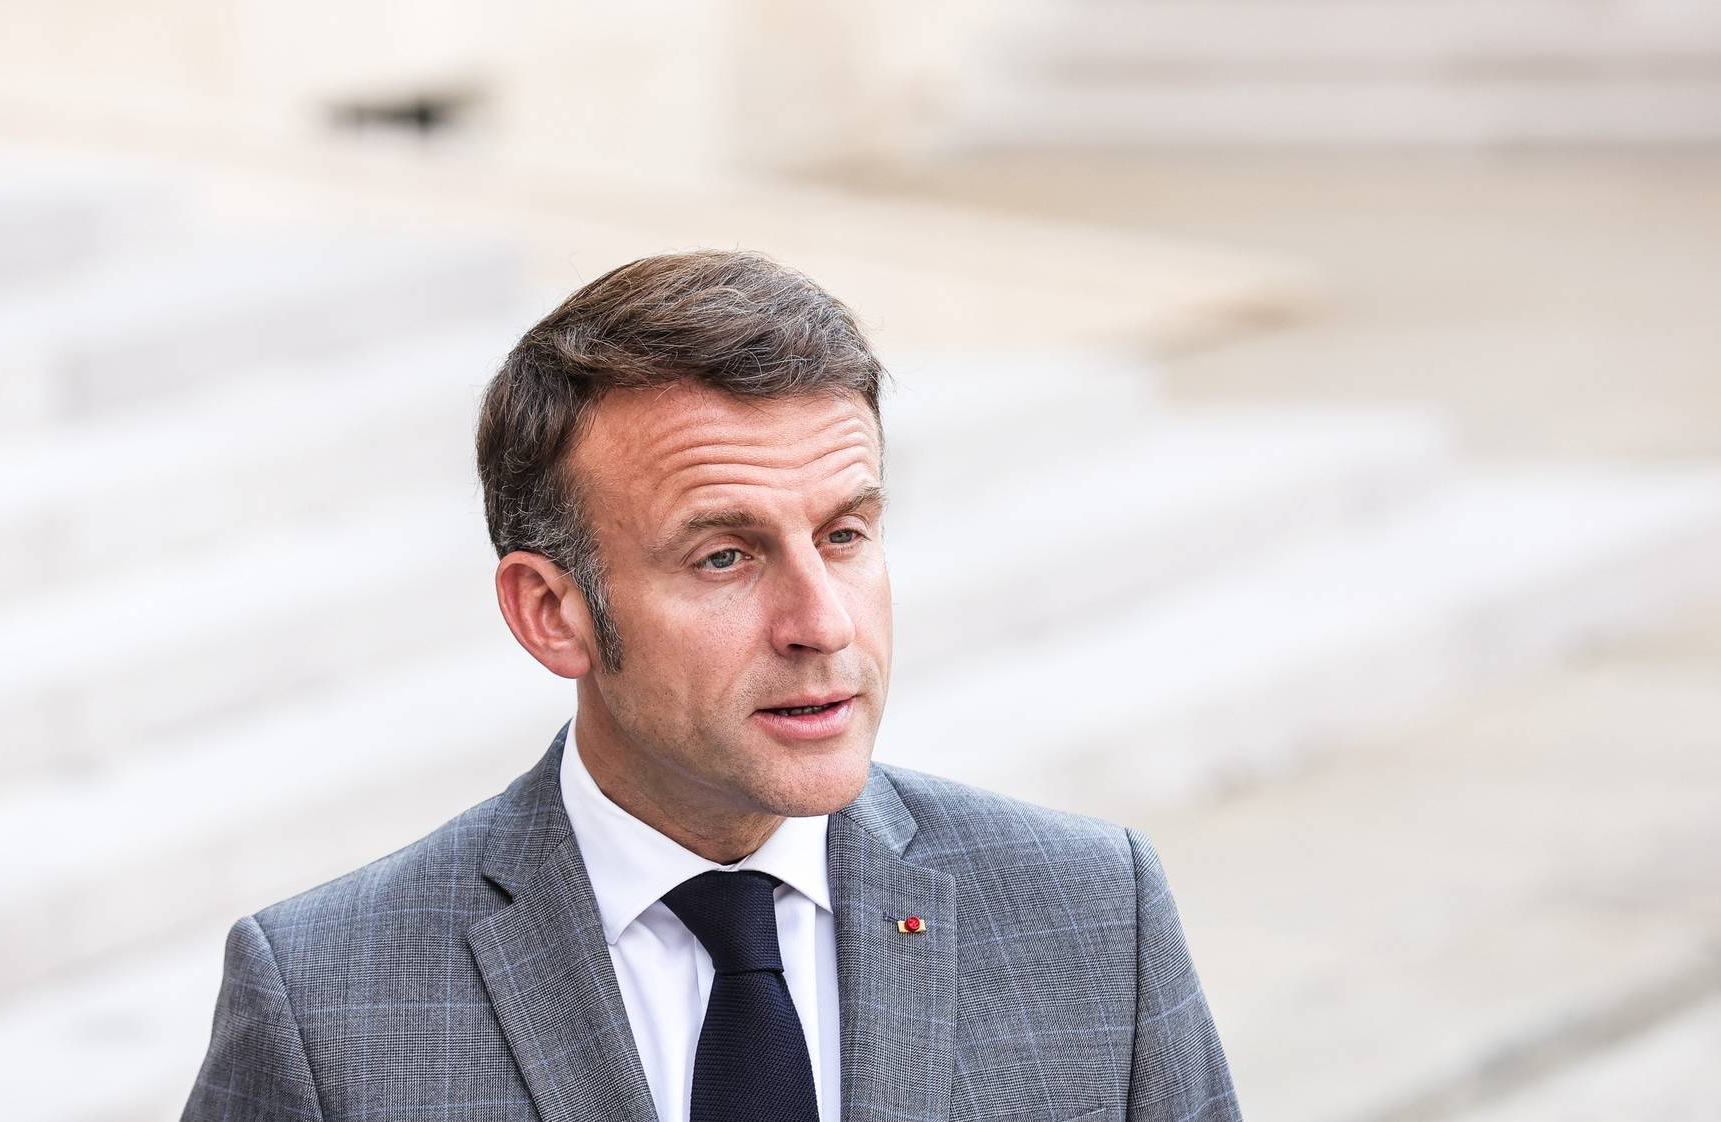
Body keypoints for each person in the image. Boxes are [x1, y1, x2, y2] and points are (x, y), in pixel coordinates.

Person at [182, 250, 1242, 1122]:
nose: (821, 623)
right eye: (723, 558)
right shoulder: (327, 1002)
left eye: (844, 534)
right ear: (551, 613)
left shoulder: (1094, 915)